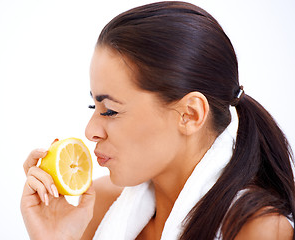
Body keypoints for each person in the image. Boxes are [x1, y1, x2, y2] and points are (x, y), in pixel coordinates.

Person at [20, 1, 295, 239]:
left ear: (190, 114)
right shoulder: (95, 207)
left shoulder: (259, 231)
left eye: (110, 110)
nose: (90, 131)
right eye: (94, 105)